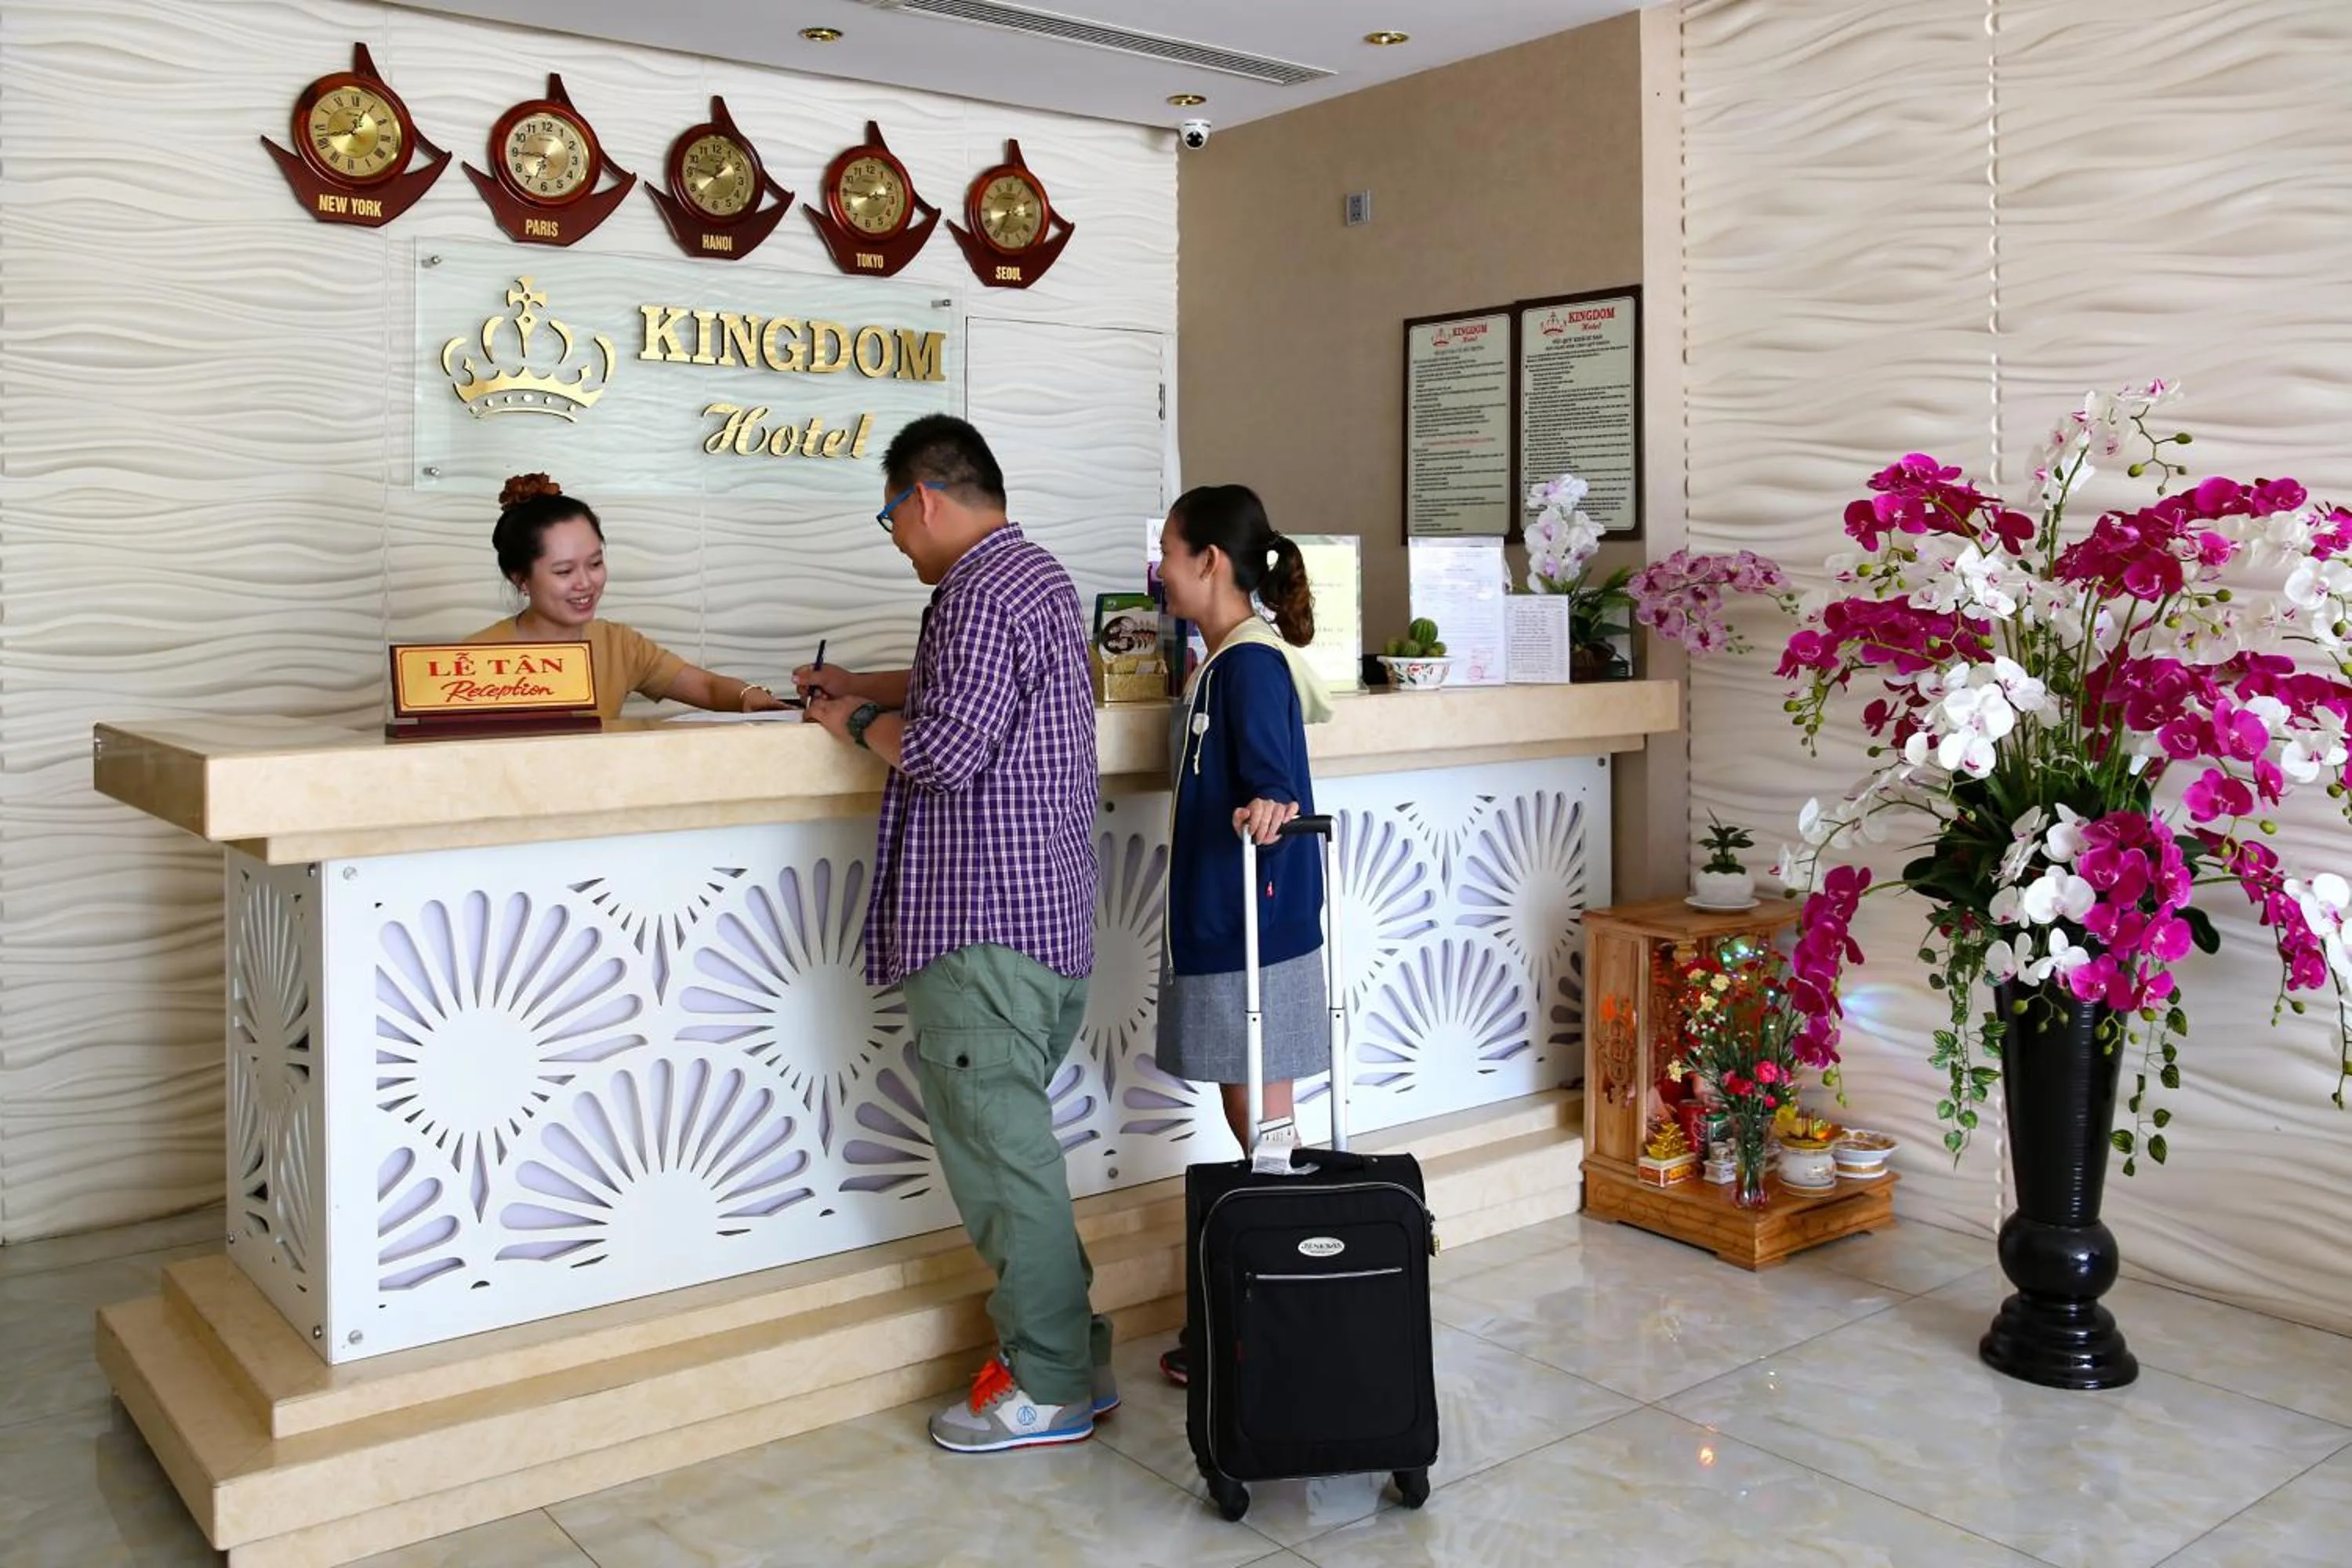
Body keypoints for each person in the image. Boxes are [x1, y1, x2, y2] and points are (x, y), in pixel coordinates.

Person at [797, 416, 1109, 1454]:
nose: (893, 537)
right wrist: (864, 689)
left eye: (891, 516)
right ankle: (1077, 1360)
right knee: (1018, 1152)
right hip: (1043, 919)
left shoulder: (971, 593)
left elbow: (940, 752)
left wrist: (842, 723)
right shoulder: (1037, 577)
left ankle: (1050, 1383)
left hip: (979, 931)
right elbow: (972, 698)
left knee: (1002, 1163)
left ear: (924, 498)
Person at [1151, 483, 1334, 1388]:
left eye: (1171, 552)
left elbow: (1273, 782)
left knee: (1262, 1127)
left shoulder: (1249, 665)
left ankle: (1286, 1305)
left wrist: (1270, 802)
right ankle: (1280, 1304)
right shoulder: (1224, 659)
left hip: (1250, 928)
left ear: (1209, 562)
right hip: (1246, 922)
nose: (1161, 569)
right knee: (1264, 1125)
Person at [470, 474, 791, 720]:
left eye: (595, 564)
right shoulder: (472, 658)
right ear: (521, 578)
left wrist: (750, 695)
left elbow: (706, 687)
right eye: (564, 572)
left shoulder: (619, 644)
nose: (586, 583)